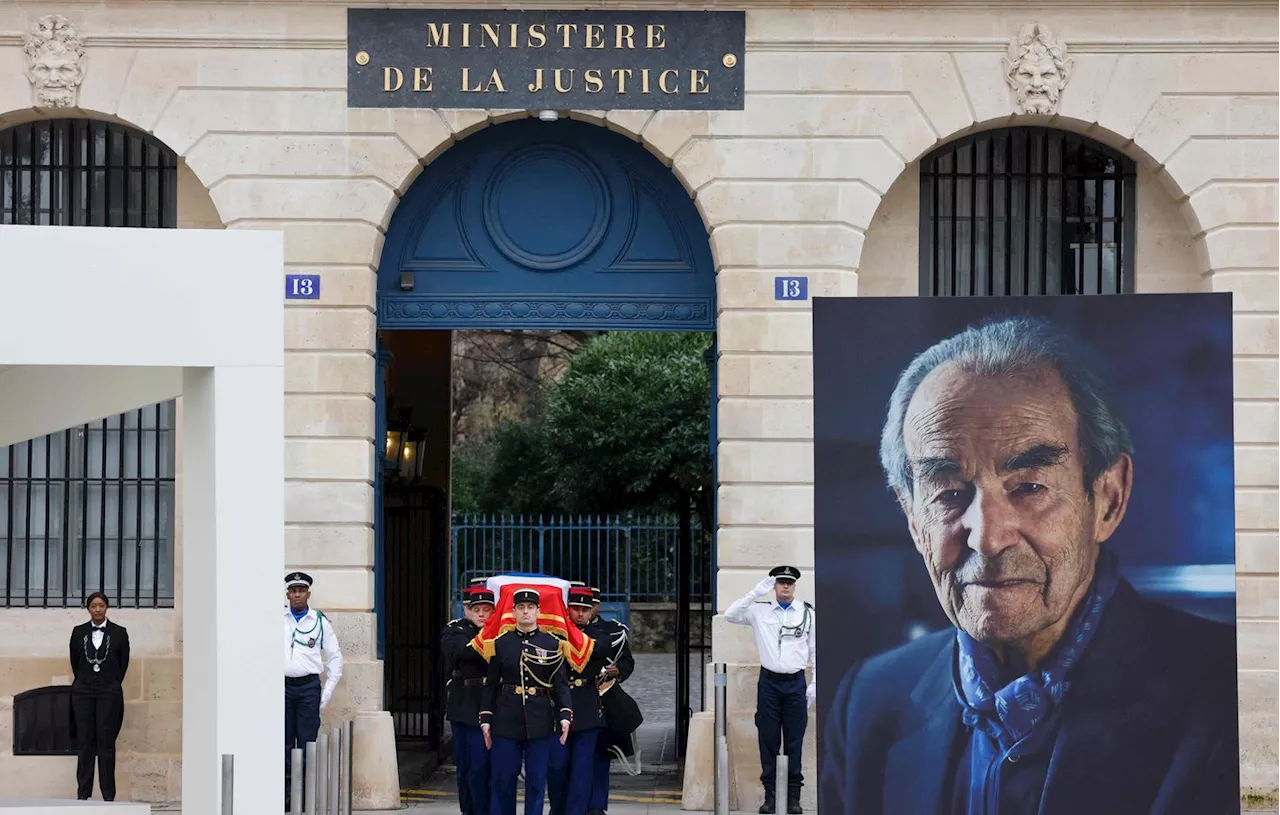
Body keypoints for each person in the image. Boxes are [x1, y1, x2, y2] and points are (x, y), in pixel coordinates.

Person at [820, 316, 1238, 815]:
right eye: (949, 494)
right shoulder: (869, 700)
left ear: (1107, 499)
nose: (989, 537)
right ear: (913, 519)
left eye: (1030, 487)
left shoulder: (1229, 696)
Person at [725, 566, 816, 814]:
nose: (785, 586)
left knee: (795, 740)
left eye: (789, 583)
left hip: (795, 682)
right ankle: (771, 796)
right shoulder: (759, 611)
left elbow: (816, 649)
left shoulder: (807, 613)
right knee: (768, 739)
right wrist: (756, 591)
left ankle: (794, 797)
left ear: (794, 586)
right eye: (780, 582)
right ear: (774, 586)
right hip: (769, 683)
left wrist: (814, 684)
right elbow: (731, 615)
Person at [480, 587, 573, 815]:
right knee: (504, 779)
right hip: (506, 718)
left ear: (538, 611)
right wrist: (486, 718)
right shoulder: (501, 643)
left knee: (537, 780)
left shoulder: (552, 643)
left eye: (530, 607)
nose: (525, 612)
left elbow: (560, 684)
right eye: (521, 607)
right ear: (513, 611)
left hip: (540, 719)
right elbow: (491, 684)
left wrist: (564, 715)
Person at [284, 571, 344, 808]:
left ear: (308, 593)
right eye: (293, 590)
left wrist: (326, 692)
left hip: (308, 687)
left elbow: (335, 659)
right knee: (284, 743)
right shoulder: (278, 619)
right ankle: (286, 796)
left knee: (308, 742)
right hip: (283, 687)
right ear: (287, 594)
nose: (297, 594)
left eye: (301, 590)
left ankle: (306, 797)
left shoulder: (319, 621)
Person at [548, 586, 610, 815]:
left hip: (586, 705)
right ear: (567, 609)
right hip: (557, 707)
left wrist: (571, 634)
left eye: (585, 609)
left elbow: (600, 649)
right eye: (575, 609)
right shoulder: (554, 632)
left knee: (582, 769)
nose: (581, 614)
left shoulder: (601, 631)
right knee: (556, 765)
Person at [69, 591, 130, 801]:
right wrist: (86, 682)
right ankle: (83, 794)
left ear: (106, 607)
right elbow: (75, 662)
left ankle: (108, 795)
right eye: (93, 605)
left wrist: (109, 683)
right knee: (85, 743)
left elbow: (123, 664)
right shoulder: (78, 632)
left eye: (101, 605)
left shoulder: (119, 633)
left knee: (106, 744)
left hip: (108, 693)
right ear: (88, 608)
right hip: (83, 692)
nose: (97, 609)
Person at [583, 586, 637, 815]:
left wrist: (618, 671)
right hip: (575, 697)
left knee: (600, 754)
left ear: (597, 606)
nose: (586, 610)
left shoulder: (613, 630)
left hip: (603, 699)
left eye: (591, 604)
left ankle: (596, 804)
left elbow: (627, 662)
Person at [442, 583, 496, 815]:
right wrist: (490, 634)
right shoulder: (455, 630)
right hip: (465, 704)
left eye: (487, 610)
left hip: (493, 704)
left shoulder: (503, 633)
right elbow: (460, 652)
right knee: (466, 767)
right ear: (467, 611)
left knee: (487, 766)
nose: (482, 614)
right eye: (477, 610)